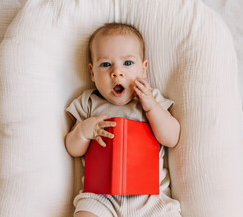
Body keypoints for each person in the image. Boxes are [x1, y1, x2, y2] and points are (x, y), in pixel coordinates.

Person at [65, 23, 182, 217]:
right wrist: (85, 131)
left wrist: (151, 107)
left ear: (143, 69)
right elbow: (72, 148)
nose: (117, 72)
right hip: (101, 197)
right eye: (106, 64)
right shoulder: (89, 103)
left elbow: (172, 137)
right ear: (92, 72)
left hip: (149, 198)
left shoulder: (151, 99)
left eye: (127, 63)